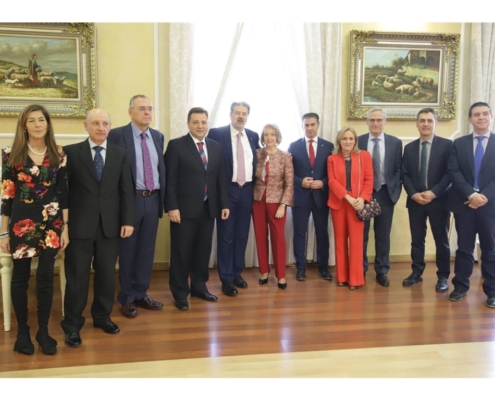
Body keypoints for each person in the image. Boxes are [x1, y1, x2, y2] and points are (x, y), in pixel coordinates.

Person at [60, 109, 135, 348]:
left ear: (110, 127)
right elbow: (64, 193)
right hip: (79, 228)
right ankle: (72, 325)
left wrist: (128, 220)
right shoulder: (71, 153)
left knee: (105, 277)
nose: (100, 127)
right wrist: (65, 225)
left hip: (110, 227)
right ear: (86, 126)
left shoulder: (120, 153)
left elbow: (126, 190)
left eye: (105, 123)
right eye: (95, 123)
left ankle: (102, 317)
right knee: (77, 278)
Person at [0, 104, 69, 355]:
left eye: (41, 120)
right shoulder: (11, 154)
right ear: (24, 125)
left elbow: (63, 194)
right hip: (22, 223)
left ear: (48, 124)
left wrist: (65, 228)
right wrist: (4, 232)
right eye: (32, 121)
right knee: (20, 278)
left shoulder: (59, 154)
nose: (38, 124)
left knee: (45, 279)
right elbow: (6, 196)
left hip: (52, 223)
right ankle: (22, 332)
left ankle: (43, 330)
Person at [165, 107, 230, 311]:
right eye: (196, 122)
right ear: (188, 124)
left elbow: (220, 179)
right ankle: (180, 292)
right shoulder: (176, 145)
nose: (200, 126)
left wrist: (224, 204)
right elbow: (170, 180)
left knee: (203, 251)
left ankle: (199, 287)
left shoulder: (215, 147)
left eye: (203, 122)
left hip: (208, 208)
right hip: (183, 211)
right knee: (181, 253)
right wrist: (172, 207)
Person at [108, 95, 165, 318]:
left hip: (153, 199)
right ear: (130, 112)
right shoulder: (117, 135)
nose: (147, 113)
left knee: (146, 250)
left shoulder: (158, 137)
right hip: (129, 200)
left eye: (150, 108)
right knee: (128, 250)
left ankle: (141, 293)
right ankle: (127, 297)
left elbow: (162, 170)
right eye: (141, 109)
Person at [208, 102, 260, 296]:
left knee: (241, 236)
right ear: (230, 114)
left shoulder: (253, 136)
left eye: (244, 113)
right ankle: (226, 278)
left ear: (247, 116)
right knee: (226, 237)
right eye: (237, 113)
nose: (240, 116)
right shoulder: (216, 134)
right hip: (226, 191)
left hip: (247, 192)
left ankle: (237, 273)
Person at [447, 102, 495, 308]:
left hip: (490, 205)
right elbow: (453, 171)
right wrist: (470, 194)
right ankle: (460, 286)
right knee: (464, 247)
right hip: (464, 203)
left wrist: (483, 196)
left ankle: (492, 291)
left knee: (490, 249)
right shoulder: (459, 144)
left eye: (485, 114)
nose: (481, 117)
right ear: (470, 120)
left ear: (491, 117)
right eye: (477, 114)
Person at [401, 108, 453, 292]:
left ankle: (443, 277)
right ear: (416, 123)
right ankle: (416, 272)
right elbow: (404, 174)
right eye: (422, 120)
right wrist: (413, 193)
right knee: (417, 239)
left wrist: (434, 193)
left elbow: (449, 174)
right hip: (415, 201)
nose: (425, 124)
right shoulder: (409, 148)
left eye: (429, 120)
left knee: (441, 240)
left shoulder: (447, 146)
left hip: (438, 201)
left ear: (435, 123)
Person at [358, 108, 402, 287]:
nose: (375, 123)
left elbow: (399, 169)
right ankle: (360, 269)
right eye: (372, 120)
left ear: (385, 121)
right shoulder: (358, 141)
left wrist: (395, 193)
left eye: (379, 120)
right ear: (367, 122)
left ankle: (382, 271)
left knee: (382, 235)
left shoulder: (395, 143)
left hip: (385, 193)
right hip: (364, 194)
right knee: (362, 234)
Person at [288, 113, 334, 281]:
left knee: (322, 233)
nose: (309, 128)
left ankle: (323, 267)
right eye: (306, 125)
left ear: (318, 125)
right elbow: (288, 173)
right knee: (300, 233)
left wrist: (323, 182)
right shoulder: (293, 147)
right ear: (302, 126)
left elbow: (335, 173)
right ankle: (301, 268)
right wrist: (301, 182)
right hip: (300, 198)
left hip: (321, 197)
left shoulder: (329, 147)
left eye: (312, 124)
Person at [327, 127, 372, 289]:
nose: (348, 142)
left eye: (351, 138)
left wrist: (362, 199)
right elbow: (332, 182)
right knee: (340, 241)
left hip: (357, 204)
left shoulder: (364, 156)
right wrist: (348, 197)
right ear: (339, 140)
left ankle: (355, 279)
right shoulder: (332, 158)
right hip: (339, 202)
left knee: (356, 242)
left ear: (355, 141)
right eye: (344, 138)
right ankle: (342, 277)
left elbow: (369, 179)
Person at [253, 124, 294, 289]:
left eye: (272, 134)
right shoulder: (257, 154)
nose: (269, 137)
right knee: (260, 236)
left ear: (277, 137)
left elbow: (289, 183)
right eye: (266, 135)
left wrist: (283, 204)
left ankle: (281, 275)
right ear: (262, 137)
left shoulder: (285, 156)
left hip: (277, 202)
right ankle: (264, 271)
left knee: (278, 239)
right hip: (257, 200)